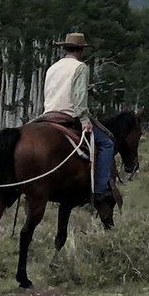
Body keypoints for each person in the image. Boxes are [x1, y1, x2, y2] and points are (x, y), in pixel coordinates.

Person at [43, 30, 117, 203]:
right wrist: (84, 119)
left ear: (66, 48)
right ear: (81, 50)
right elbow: (79, 96)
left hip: (48, 114)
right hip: (69, 115)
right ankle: (100, 189)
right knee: (107, 143)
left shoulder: (53, 67)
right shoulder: (80, 67)